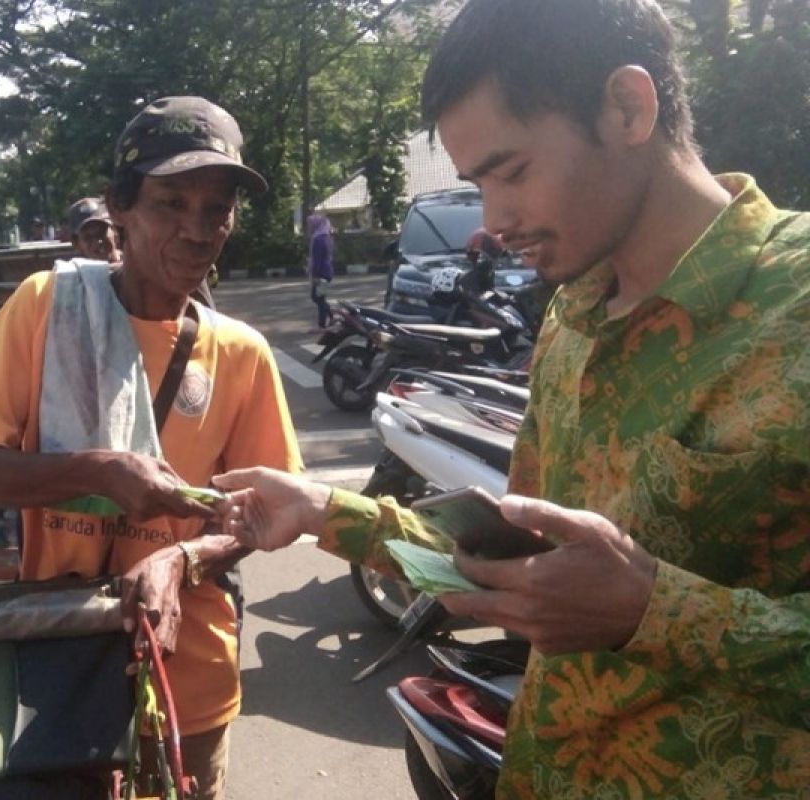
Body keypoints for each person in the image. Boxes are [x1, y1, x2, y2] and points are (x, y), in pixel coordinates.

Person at [214, 1, 810, 797]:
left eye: (514, 171)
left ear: (628, 108)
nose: (492, 222)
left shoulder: (795, 309)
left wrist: (656, 613)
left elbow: (628, 606)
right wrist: (326, 513)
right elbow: (513, 568)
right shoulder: (573, 315)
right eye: (476, 184)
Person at [0, 96, 303, 799]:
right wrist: (102, 470)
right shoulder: (46, 308)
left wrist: (182, 557)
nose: (198, 231)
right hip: (55, 668)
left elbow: (261, 512)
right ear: (120, 208)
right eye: (171, 203)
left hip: (188, 677)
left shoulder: (243, 355)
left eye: (217, 209)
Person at [67, 196, 122, 262]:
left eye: (101, 233)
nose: (97, 242)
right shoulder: (71, 271)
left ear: (116, 233)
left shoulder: (134, 263)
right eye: (88, 238)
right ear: (77, 244)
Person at [306, 212, 334, 328]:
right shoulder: (326, 237)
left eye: (311, 224)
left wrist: (315, 274)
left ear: (316, 225)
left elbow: (317, 259)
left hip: (321, 272)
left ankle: (325, 323)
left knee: (317, 297)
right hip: (327, 271)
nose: (309, 227)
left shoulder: (318, 239)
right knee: (320, 297)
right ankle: (329, 318)